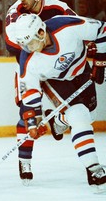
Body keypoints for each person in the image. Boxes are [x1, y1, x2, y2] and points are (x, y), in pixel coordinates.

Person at [13, 13, 106, 189]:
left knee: (89, 115)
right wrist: (33, 121)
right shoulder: (28, 60)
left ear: (41, 31)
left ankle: (59, 121)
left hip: (82, 71)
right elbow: (31, 91)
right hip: (56, 81)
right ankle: (93, 168)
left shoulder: (67, 26)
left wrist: (100, 61)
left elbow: (102, 30)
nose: (29, 48)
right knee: (79, 116)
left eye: (31, 42)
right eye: (24, 45)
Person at [4, 0, 77, 185]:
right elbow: (11, 42)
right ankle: (24, 161)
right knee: (27, 114)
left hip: (56, 65)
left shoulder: (58, 7)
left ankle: (58, 121)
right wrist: (37, 45)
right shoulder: (15, 12)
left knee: (79, 107)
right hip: (28, 67)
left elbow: (76, 26)